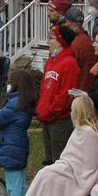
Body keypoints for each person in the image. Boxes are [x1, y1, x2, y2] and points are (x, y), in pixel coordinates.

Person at [37, 25, 80, 166]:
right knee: (48, 160)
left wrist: (51, 111)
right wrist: (41, 109)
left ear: (61, 42)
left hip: (59, 120)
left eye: (52, 38)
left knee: (59, 160)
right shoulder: (50, 61)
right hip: (46, 117)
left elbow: (66, 95)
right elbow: (44, 88)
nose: (48, 42)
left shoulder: (69, 63)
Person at [64, 8, 98, 91]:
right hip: (91, 88)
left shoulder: (74, 44)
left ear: (67, 23)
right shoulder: (88, 40)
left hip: (77, 91)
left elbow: (68, 72)